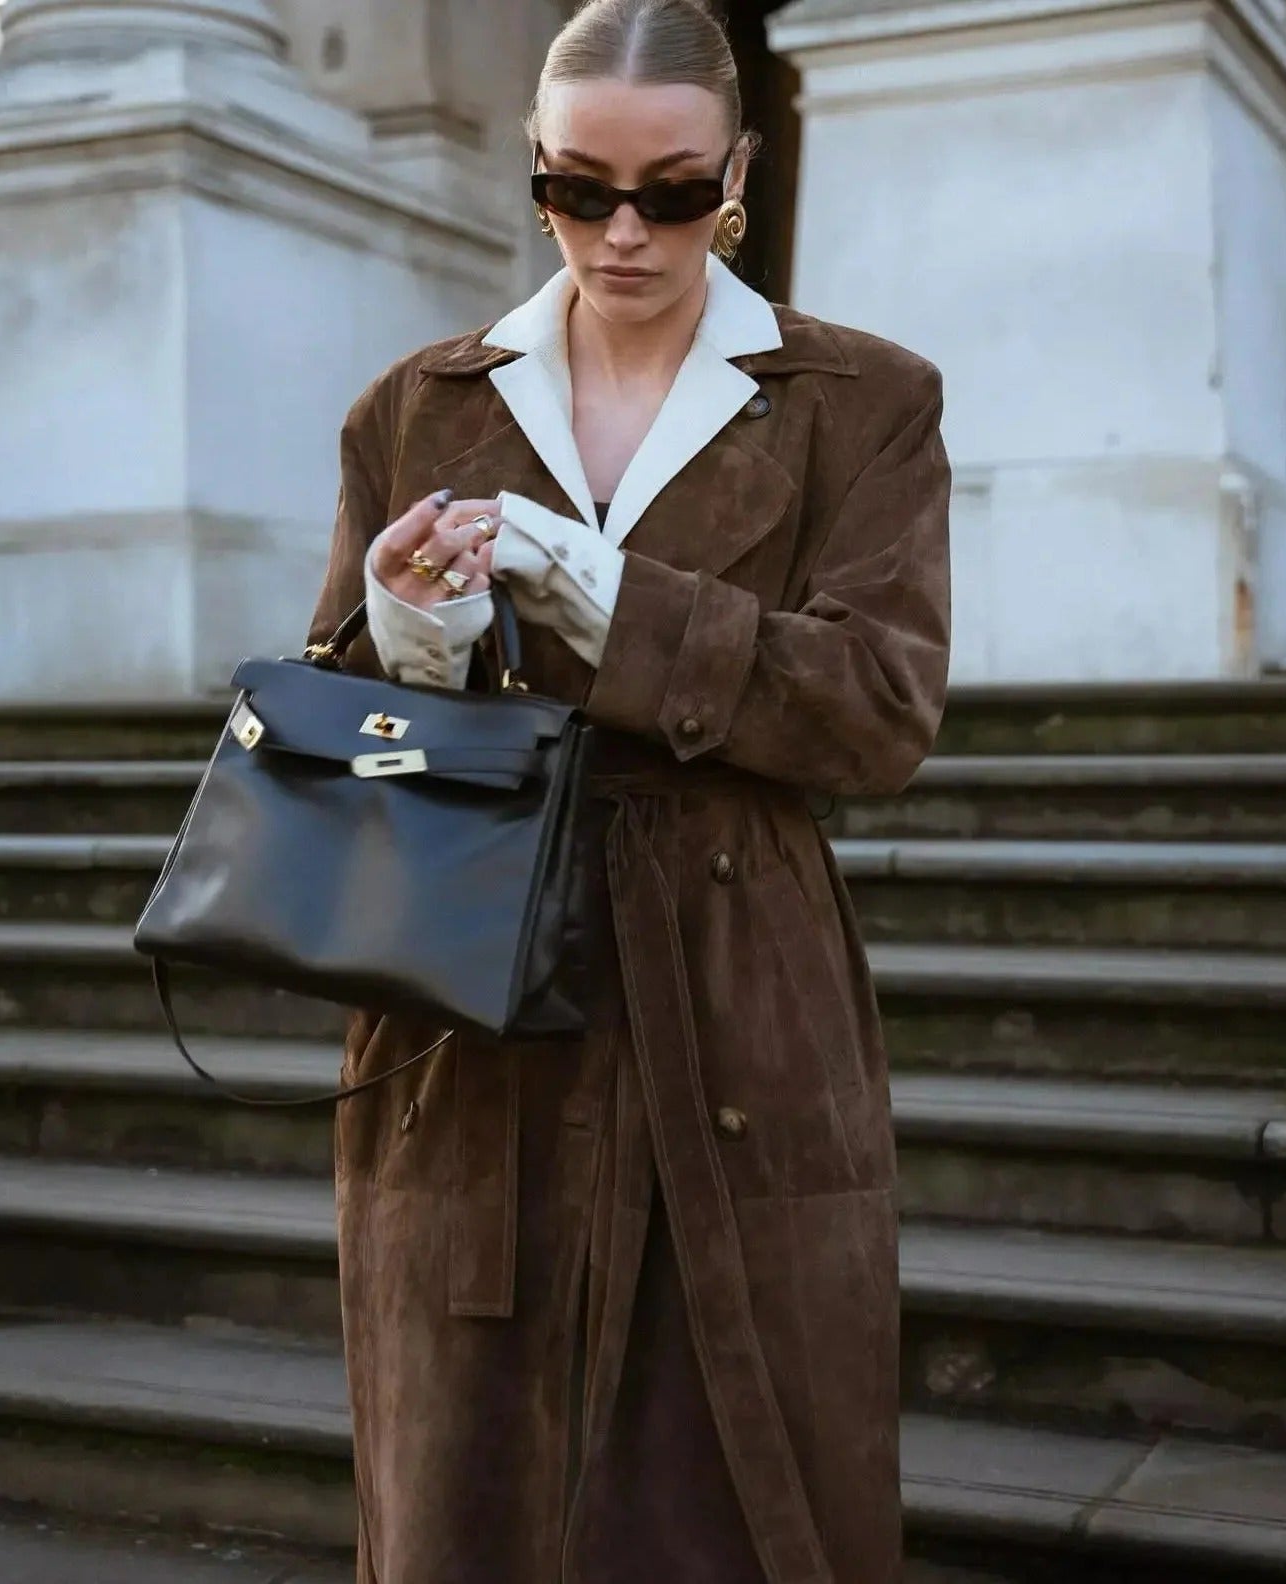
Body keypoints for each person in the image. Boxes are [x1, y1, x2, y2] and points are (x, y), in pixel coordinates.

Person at [307, 2, 951, 1580]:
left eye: (670, 191)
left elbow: (879, 709)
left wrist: (609, 602)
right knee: (472, 1501)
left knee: (726, 1500)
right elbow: (338, 725)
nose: (620, 232)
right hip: (469, 1019)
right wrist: (413, 625)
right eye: (576, 187)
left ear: (740, 171)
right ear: (534, 169)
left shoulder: (861, 399)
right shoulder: (416, 407)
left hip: (736, 1005)